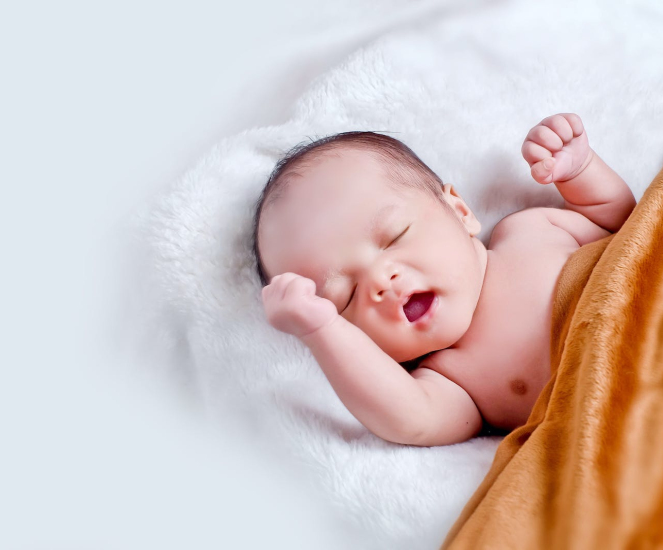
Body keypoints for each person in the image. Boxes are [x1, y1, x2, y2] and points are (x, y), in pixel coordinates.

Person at [252, 113, 636, 446]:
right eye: (345, 297)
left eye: (394, 236)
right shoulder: (452, 381)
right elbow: (409, 420)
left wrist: (582, 169)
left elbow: (621, 226)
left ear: (459, 210)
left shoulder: (530, 229)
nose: (382, 281)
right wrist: (321, 331)